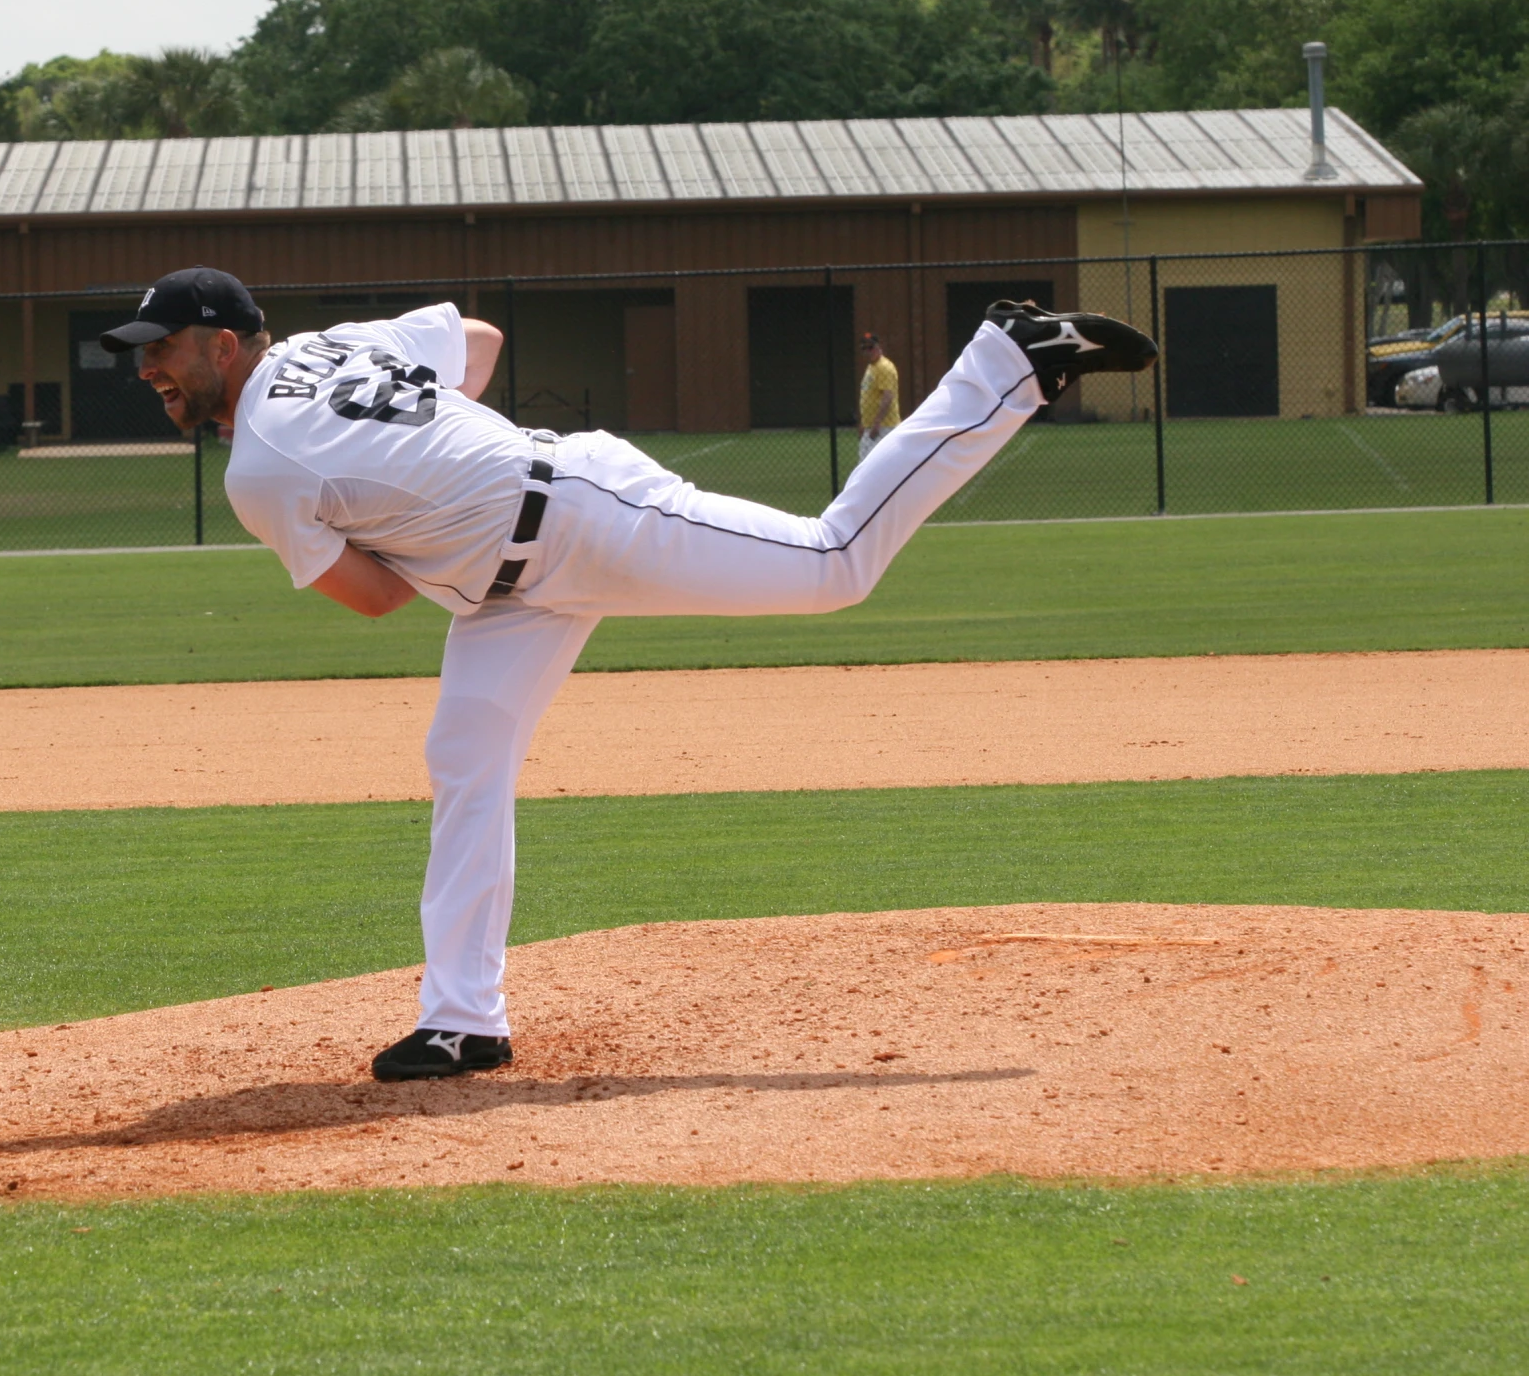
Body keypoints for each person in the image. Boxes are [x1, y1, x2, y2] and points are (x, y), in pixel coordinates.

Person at [102, 267, 1157, 1082]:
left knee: (834, 561)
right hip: (507, 585)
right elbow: (476, 340)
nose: (145, 366)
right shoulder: (336, 346)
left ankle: (1004, 364)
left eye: (162, 349)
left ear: (225, 343)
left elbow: (376, 598)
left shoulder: (260, 471)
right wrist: (431, 445)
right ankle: (462, 1021)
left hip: (578, 516)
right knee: (464, 754)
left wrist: (424, 490)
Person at [858, 332, 899, 463]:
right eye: (864, 349)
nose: (868, 352)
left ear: (878, 347)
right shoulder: (872, 366)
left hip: (884, 426)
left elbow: (888, 396)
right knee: (868, 463)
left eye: (870, 348)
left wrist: (877, 422)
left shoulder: (884, 367)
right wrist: (864, 423)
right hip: (872, 425)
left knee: (868, 464)